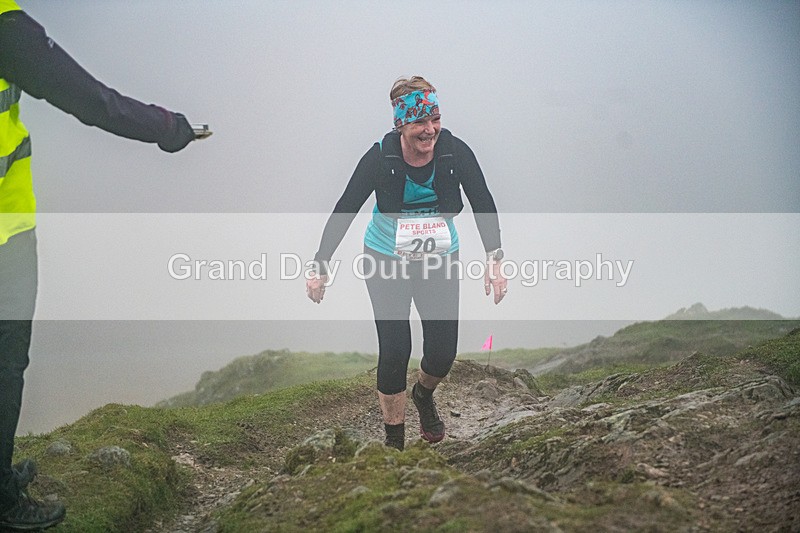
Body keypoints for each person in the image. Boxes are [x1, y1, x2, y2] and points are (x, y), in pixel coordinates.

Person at [0, 2, 201, 529]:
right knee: (4, 363)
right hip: (5, 233)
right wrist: (167, 126)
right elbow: (92, 101)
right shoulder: (7, 28)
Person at [307, 76, 506, 451]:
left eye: (435, 119)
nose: (429, 130)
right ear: (401, 123)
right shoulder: (380, 157)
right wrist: (320, 264)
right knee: (396, 347)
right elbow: (345, 207)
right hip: (386, 260)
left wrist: (494, 259)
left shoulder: (455, 152)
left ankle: (424, 394)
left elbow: (483, 200)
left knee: (443, 353)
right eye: (419, 123)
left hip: (440, 260)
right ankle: (394, 444)